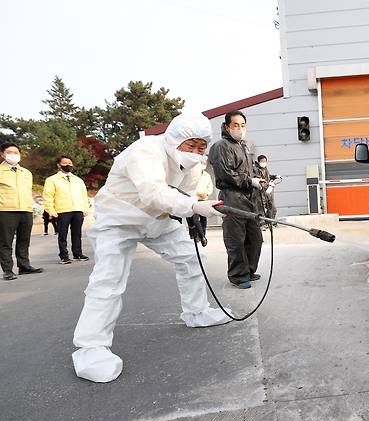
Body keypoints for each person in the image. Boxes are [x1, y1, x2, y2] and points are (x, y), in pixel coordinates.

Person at [71, 112, 231, 383]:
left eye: (201, 146)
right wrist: (192, 207)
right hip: (119, 217)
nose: (195, 152)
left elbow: (182, 195)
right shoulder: (145, 150)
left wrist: (193, 210)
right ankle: (90, 349)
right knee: (108, 280)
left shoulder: (192, 165)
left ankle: (197, 312)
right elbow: (153, 192)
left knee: (193, 257)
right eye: (189, 146)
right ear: (174, 139)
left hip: (157, 219)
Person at [208, 110, 265, 290]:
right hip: (231, 198)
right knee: (236, 240)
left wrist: (257, 179)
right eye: (236, 125)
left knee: (254, 238)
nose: (240, 129)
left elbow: (247, 172)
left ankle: (248, 270)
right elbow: (226, 175)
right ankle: (238, 276)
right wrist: (250, 181)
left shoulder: (244, 146)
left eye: (243, 125)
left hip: (248, 199)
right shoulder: (221, 146)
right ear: (226, 127)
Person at [0, 143, 44, 280]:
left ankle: (24, 266)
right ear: (2, 154)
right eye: (9, 152)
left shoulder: (26, 173)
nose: (13, 154)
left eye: (16, 152)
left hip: (25, 209)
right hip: (6, 210)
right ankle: (7, 270)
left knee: (24, 240)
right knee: (5, 242)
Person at [43, 156, 90, 264]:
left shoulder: (78, 180)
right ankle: (64, 255)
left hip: (77, 209)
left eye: (70, 163)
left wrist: (84, 208)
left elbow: (83, 195)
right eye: (65, 163)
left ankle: (77, 253)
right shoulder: (52, 180)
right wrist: (51, 210)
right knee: (62, 234)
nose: (68, 165)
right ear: (59, 165)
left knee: (77, 233)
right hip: (62, 210)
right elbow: (48, 196)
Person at [253, 154, 279, 221]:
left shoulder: (265, 169)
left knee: (272, 208)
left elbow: (267, 176)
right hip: (260, 192)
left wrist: (275, 176)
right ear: (258, 162)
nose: (264, 163)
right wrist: (268, 184)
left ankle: (269, 222)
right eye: (262, 161)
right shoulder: (256, 170)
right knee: (261, 209)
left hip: (268, 191)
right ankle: (260, 224)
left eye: (265, 161)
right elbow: (259, 180)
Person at [195, 157, 214, 237]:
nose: (203, 165)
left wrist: (207, 193)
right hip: (195, 198)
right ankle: (198, 234)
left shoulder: (207, 175)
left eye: (204, 164)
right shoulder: (194, 174)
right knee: (195, 219)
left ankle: (203, 235)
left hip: (204, 199)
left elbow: (210, 186)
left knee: (203, 218)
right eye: (202, 163)